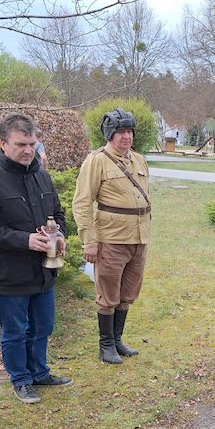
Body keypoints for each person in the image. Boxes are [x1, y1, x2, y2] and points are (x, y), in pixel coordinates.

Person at [0, 114, 72, 405]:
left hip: (44, 270)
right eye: (20, 144)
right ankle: (21, 380)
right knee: (15, 331)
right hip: (11, 271)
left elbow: (58, 214)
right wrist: (24, 240)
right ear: (2, 143)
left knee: (43, 326)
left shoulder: (42, 176)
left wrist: (59, 236)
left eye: (32, 143)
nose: (28, 150)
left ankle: (39, 372)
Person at [72, 108, 151, 365]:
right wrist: (89, 241)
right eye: (120, 132)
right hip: (111, 239)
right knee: (107, 294)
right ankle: (105, 345)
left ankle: (117, 340)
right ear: (109, 134)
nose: (126, 137)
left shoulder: (139, 160)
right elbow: (82, 203)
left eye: (129, 131)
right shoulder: (97, 160)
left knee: (128, 293)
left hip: (138, 239)